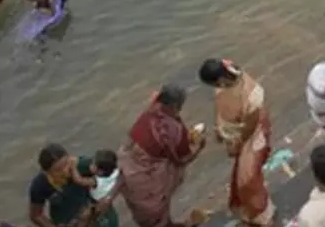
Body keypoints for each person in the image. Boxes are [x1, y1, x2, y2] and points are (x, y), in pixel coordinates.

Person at [117, 85, 207, 227]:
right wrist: (200, 147)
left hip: (128, 168)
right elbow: (182, 159)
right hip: (148, 180)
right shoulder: (174, 130)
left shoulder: (151, 109)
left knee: (141, 211)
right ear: (177, 105)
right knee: (156, 216)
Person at [197, 59, 274, 226]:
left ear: (220, 81)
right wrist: (221, 131)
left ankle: (262, 214)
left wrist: (237, 143)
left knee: (247, 179)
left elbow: (250, 126)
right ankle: (247, 207)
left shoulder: (253, 95)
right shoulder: (228, 73)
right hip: (236, 132)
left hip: (251, 135)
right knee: (240, 175)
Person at [27, 144, 114, 227]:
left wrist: (107, 198)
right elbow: (36, 215)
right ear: (46, 172)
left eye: (66, 164)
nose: (65, 171)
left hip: (93, 214)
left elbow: (112, 174)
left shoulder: (83, 165)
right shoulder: (40, 185)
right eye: (58, 170)